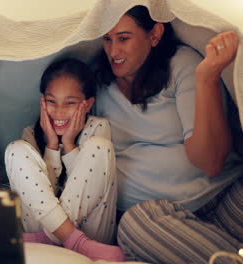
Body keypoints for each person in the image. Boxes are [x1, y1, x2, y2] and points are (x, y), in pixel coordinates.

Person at [94, 5, 242, 263]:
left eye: (124, 38)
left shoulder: (182, 64)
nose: (113, 51)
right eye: (107, 39)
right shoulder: (96, 85)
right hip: (160, 221)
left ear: (155, 34)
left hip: (224, 196)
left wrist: (206, 79)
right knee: (135, 225)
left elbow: (211, 163)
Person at [5, 58, 124, 261]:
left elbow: (86, 189)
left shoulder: (97, 128)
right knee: (15, 150)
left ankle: (57, 238)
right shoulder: (31, 135)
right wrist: (51, 145)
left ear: (87, 104)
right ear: (42, 101)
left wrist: (68, 143)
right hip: (37, 228)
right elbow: (42, 194)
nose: (59, 112)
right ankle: (69, 238)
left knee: (100, 147)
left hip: (91, 234)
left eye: (69, 103)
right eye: (52, 101)